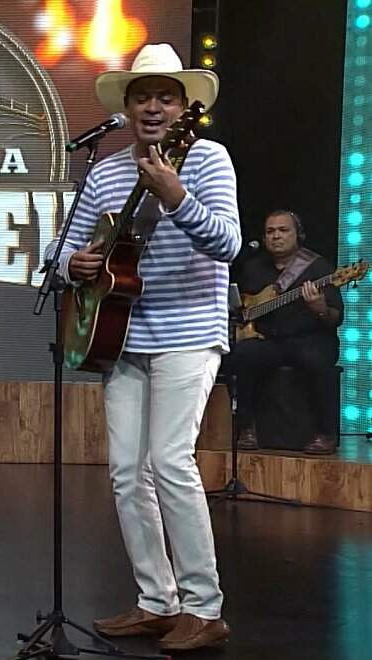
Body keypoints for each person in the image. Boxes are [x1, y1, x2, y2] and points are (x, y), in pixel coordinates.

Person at [47, 44, 240, 651]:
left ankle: (204, 607)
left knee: (170, 461)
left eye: (166, 97)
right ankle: (157, 600)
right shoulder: (105, 171)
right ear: (127, 108)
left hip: (189, 332)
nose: (153, 107)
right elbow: (59, 248)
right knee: (128, 472)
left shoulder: (206, 159)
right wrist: (72, 264)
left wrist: (175, 196)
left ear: (184, 108)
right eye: (143, 97)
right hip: (122, 335)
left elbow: (228, 243)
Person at [227, 210, 343, 454]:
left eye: (283, 230)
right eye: (270, 231)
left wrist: (320, 308)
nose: (276, 236)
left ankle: (325, 433)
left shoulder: (319, 267)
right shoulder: (253, 267)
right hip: (271, 340)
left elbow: (336, 317)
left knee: (315, 358)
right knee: (242, 353)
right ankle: (246, 428)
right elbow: (242, 306)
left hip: (311, 339)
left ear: (298, 235)